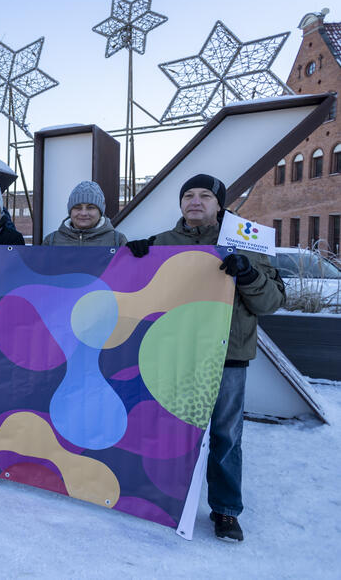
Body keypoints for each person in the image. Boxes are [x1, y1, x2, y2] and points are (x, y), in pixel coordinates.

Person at [126, 173, 285, 543]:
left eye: (204, 196)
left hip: (226, 355)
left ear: (219, 204)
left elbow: (272, 302)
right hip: (174, 353)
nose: (195, 201)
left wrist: (246, 274)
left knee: (226, 435)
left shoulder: (245, 242)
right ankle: (157, 495)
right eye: (188, 195)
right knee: (164, 427)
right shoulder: (163, 243)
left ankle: (226, 510)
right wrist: (130, 259)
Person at [41, 181, 127, 247]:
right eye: (77, 207)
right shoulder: (51, 241)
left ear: (100, 212)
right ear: (70, 211)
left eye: (90, 207)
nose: (83, 213)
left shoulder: (117, 241)